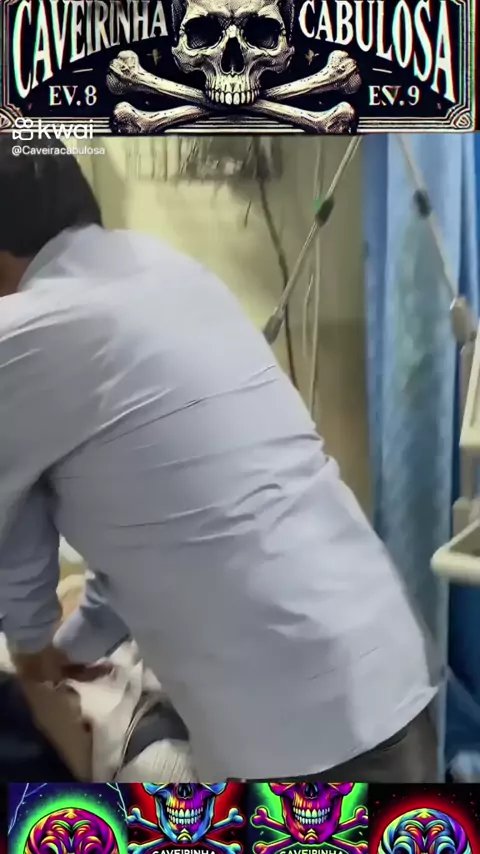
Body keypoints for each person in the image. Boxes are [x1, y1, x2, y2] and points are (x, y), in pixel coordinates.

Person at [0, 140, 437, 782]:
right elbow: (169, 507)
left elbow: (15, 533)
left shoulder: (23, 331)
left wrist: (35, 659)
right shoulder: (170, 273)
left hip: (298, 736)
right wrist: (68, 645)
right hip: (390, 670)